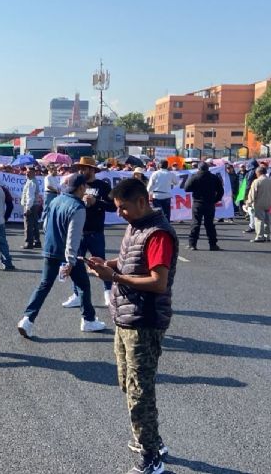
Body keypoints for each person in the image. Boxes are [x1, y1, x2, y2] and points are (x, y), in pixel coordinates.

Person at [85, 178, 177, 474]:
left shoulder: (158, 234)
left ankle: (152, 457)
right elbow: (129, 261)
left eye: (124, 208)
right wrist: (109, 264)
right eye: (117, 209)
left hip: (144, 320)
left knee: (140, 391)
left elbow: (157, 282)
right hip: (126, 316)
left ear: (142, 201)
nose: (120, 213)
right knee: (128, 384)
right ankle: (153, 441)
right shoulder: (136, 226)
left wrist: (116, 279)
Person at [18, 173, 106, 338]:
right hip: (68, 253)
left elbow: (45, 224)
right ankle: (88, 320)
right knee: (83, 285)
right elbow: (73, 237)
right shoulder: (78, 207)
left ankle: (27, 319)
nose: (86, 189)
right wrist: (71, 261)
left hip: (50, 249)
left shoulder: (56, 200)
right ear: (80, 187)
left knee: (44, 285)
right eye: (85, 187)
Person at [63, 157, 116, 308]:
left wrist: (96, 202)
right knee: (75, 264)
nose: (80, 171)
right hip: (77, 232)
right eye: (79, 168)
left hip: (95, 232)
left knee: (101, 263)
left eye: (84, 168)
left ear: (92, 170)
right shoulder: (76, 185)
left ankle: (108, 293)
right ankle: (76, 294)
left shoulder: (103, 186)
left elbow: (113, 206)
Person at [182, 162, 223, 251]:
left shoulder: (195, 177)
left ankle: (192, 244)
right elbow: (220, 191)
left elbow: (186, 188)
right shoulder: (214, 178)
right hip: (210, 203)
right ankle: (213, 245)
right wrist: (215, 200)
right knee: (210, 224)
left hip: (198, 203)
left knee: (195, 223)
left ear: (199, 169)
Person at [245, 167, 271, 242]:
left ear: (258, 172)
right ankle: (267, 235)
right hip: (269, 202)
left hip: (259, 203)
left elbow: (252, 194)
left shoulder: (257, 181)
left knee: (259, 220)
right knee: (267, 220)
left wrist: (248, 203)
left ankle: (260, 236)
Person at [20, 168, 43, 249]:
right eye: (26, 171)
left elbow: (30, 196)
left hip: (31, 206)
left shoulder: (31, 183)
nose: (27, 173)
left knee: (28, 225)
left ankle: (28, 242)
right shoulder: (32, 181)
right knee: (34, 224)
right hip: (34, 205)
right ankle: (37, 241)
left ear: (34, 173)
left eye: (29, 172)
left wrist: (28, 208)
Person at [241, 159, 260, 234]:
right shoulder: (256, 171)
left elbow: (248, 185)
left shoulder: (251, 172)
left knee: (251, 211)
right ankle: (254, 226)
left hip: (251, 193)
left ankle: (252, 226)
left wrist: (246, 195)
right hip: (257, 193)